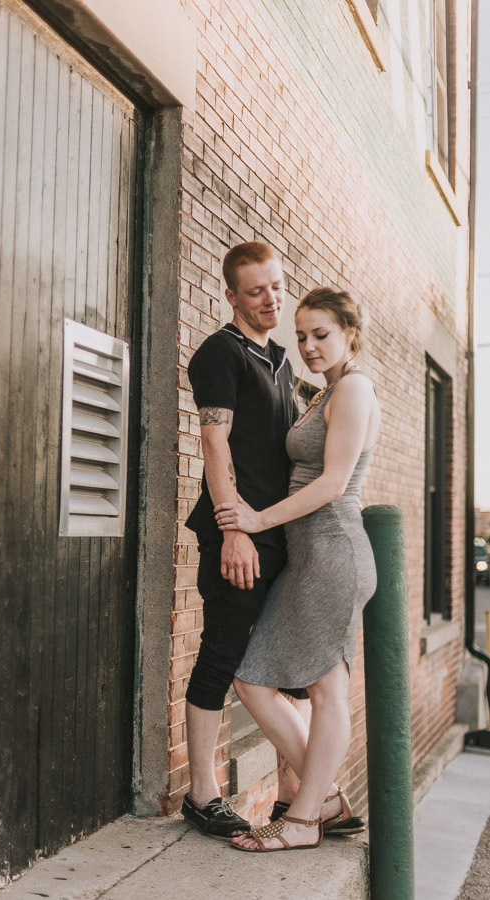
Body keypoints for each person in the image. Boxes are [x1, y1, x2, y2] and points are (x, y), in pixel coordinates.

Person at [214, 286, 380, 852]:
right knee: (253, 674)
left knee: (326, 690)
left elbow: (334, 484)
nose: (308, 346)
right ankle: (324, 797)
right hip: (311, 556)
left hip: (333, 552)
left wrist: (256, 522)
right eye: (302, 335)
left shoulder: (354, 389)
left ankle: (305, 820)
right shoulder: (326, 391)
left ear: (350, 334)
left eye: (321, 335)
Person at [181, 242, 309, 839]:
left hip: (281, 536)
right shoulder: (219, 354)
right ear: (230, 295)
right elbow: (215, 444)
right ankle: (203, 794)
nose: (271, 299)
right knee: (223, 653)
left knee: (293, 664)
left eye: (277, 286)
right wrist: (233, 529)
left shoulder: (283, 361)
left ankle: (291, 794)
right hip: (241, 537)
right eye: (256, 290)